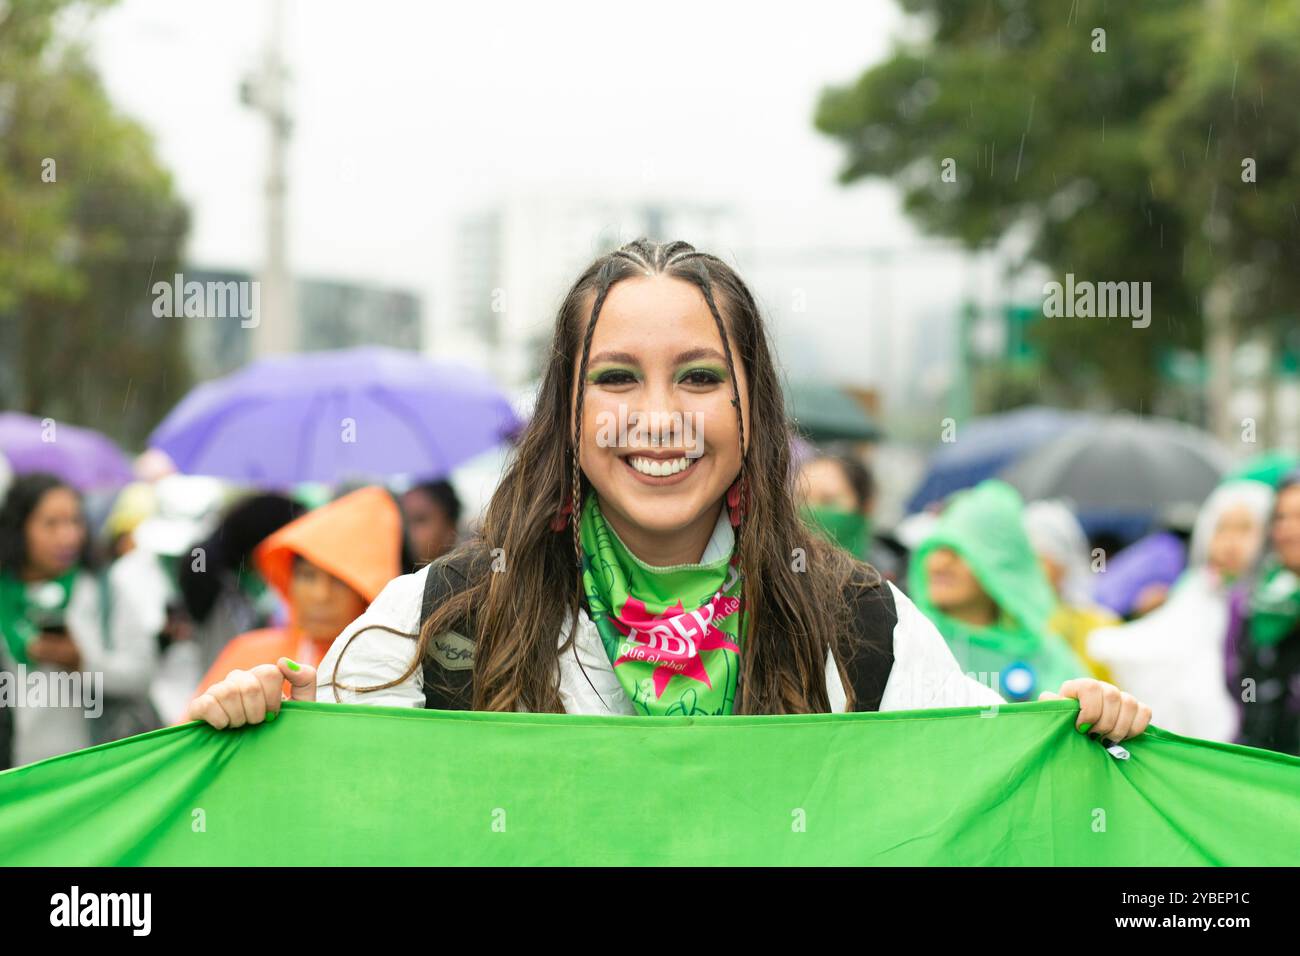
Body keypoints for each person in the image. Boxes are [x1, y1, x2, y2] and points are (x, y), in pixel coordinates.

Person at [190, 239, 1151, 748]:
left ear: (753, 409)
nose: (660, 420)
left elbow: (981, 783)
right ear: (565, 412)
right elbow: (327, 801)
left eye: (698, 377)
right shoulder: (445, 617)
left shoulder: (860, 625)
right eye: (616, 379)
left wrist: (1077, 740)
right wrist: (258, 729)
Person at [1087, 479, 1274, 742]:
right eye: (1222, 529)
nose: (1230, 542)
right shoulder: (1197, 587)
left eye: (1244, 529)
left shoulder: (1273, 602)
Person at [0, 473, 158, 766]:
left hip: (92, 772)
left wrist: (81, 663)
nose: (68, 536)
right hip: (15, 780)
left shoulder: (102, 593)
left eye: (75, 521)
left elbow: (142, 674)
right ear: (19, 529)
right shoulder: (3, 600)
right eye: (51, 524)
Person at [191, 486, 402, 701]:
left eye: (339, 579)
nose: (321, 595)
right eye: (307, 576)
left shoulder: (393, 672)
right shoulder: (249, 653)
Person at [907, 480, 1089, 701]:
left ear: (1000, 564)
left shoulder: (1044, 654)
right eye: (934, 548)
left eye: (956, 551)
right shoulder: (906, 641)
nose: (938, 564)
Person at [1225, 470, 1300, 754]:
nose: (1289, 529)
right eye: (1281, 518)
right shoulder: (1248, 601)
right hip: (1260, 758)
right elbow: (1235, 681)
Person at [1022, 499, 1119, 682]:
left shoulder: (1100, 625)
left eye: (1040, 557)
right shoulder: (1013, 619)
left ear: (1064, 561)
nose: (1030, 568)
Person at [795, 447, 901, 583]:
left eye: (828, 501)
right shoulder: (780, 572)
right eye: (800, 498)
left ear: (866, 506)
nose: (810, 510)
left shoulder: (896, 579)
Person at [401, 479, 461, 569]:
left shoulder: (472, 578)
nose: (410, 531)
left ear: (449, 527)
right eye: (406, 520)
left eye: (420, 519)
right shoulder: (397, 577)